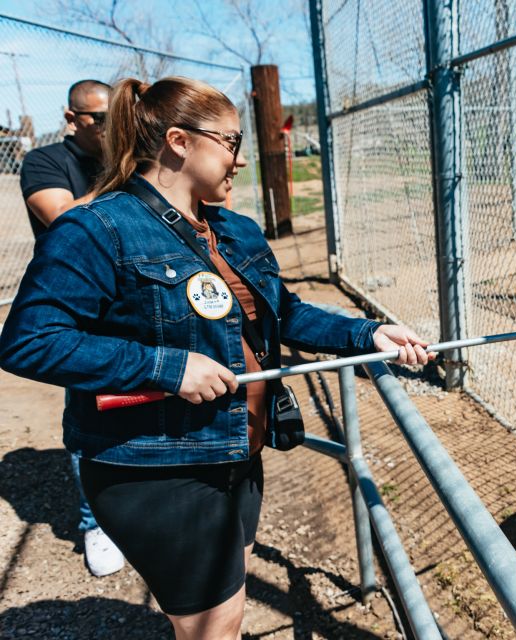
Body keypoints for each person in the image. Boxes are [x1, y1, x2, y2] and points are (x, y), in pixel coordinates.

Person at [0, 75, 433, 640]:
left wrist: (369, 335)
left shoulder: (235, 229)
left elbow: (287, 312)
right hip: (154, 467)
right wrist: (167, 367)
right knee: (215, 625)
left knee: (218, 608)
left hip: (237, 449)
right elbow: (30, 339)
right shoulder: (98, 227)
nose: (240, 159)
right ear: (179, 141)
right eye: (230, 142)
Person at [18, 78, 125, 578]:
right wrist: (127, 176)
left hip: (131, 300)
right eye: (96, 119)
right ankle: (94, 523)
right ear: (71, 118)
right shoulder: (44, 162)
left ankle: (138, 510)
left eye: (113, 118)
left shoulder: (126, 155)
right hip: (78, 307)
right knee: (88, 416)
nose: (106, 128)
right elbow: (61, 216)